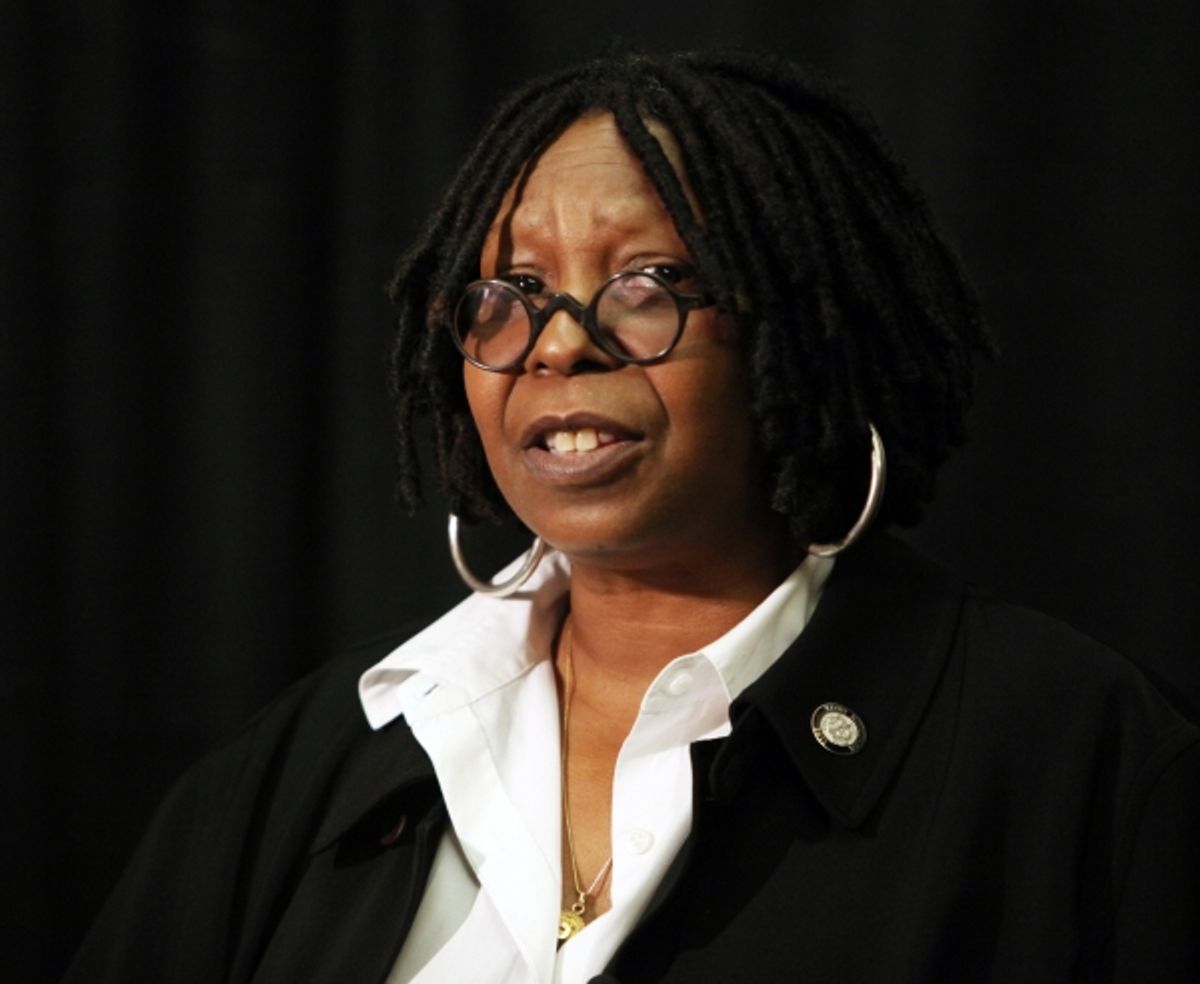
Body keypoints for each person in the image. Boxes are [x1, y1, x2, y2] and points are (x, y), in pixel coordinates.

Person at [64, 49, 1199, 984]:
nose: (557, 341)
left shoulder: (1079, 762)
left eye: (646, 284)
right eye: (507, 294)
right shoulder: (311, 765)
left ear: (800, 333)